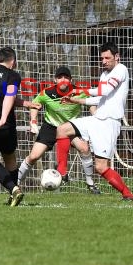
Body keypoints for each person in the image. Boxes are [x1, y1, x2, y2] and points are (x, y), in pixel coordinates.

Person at [55, 42, 133, 201]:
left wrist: (78, 90)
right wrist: (76, 101)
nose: (104, 61)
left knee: (100, 167)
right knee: (62, 130)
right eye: (102, 58)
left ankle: (127, 194)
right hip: (97, 118)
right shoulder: (104, 74)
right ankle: (62, 172)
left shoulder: (121, 69)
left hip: (109, 123)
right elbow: (99, 98)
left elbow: (105, 90)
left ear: (117, 57)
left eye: (107, 58)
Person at [18, 66, 100, 194]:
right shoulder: (47, 93)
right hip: (51, 126)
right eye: (60, 77)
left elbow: (91, 104)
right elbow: (34, 105)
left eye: (66, 77)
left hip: (71, 126)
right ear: (55, 80)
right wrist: (33, 121)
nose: (63, 80)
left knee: (84, 148)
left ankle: (91, 184)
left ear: (70, 80)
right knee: (34, 156)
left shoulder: (79, 91)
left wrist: (96, 117)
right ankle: (16, 184)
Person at [0, 46, 39, 207]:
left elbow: (4, 97)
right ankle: (15, 190)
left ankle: (14, 190)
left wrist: (27, 103)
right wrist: (3, 119)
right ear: (13, 61)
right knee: (10, 158)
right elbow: (9, 95)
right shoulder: (12, 75)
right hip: (4, 127)